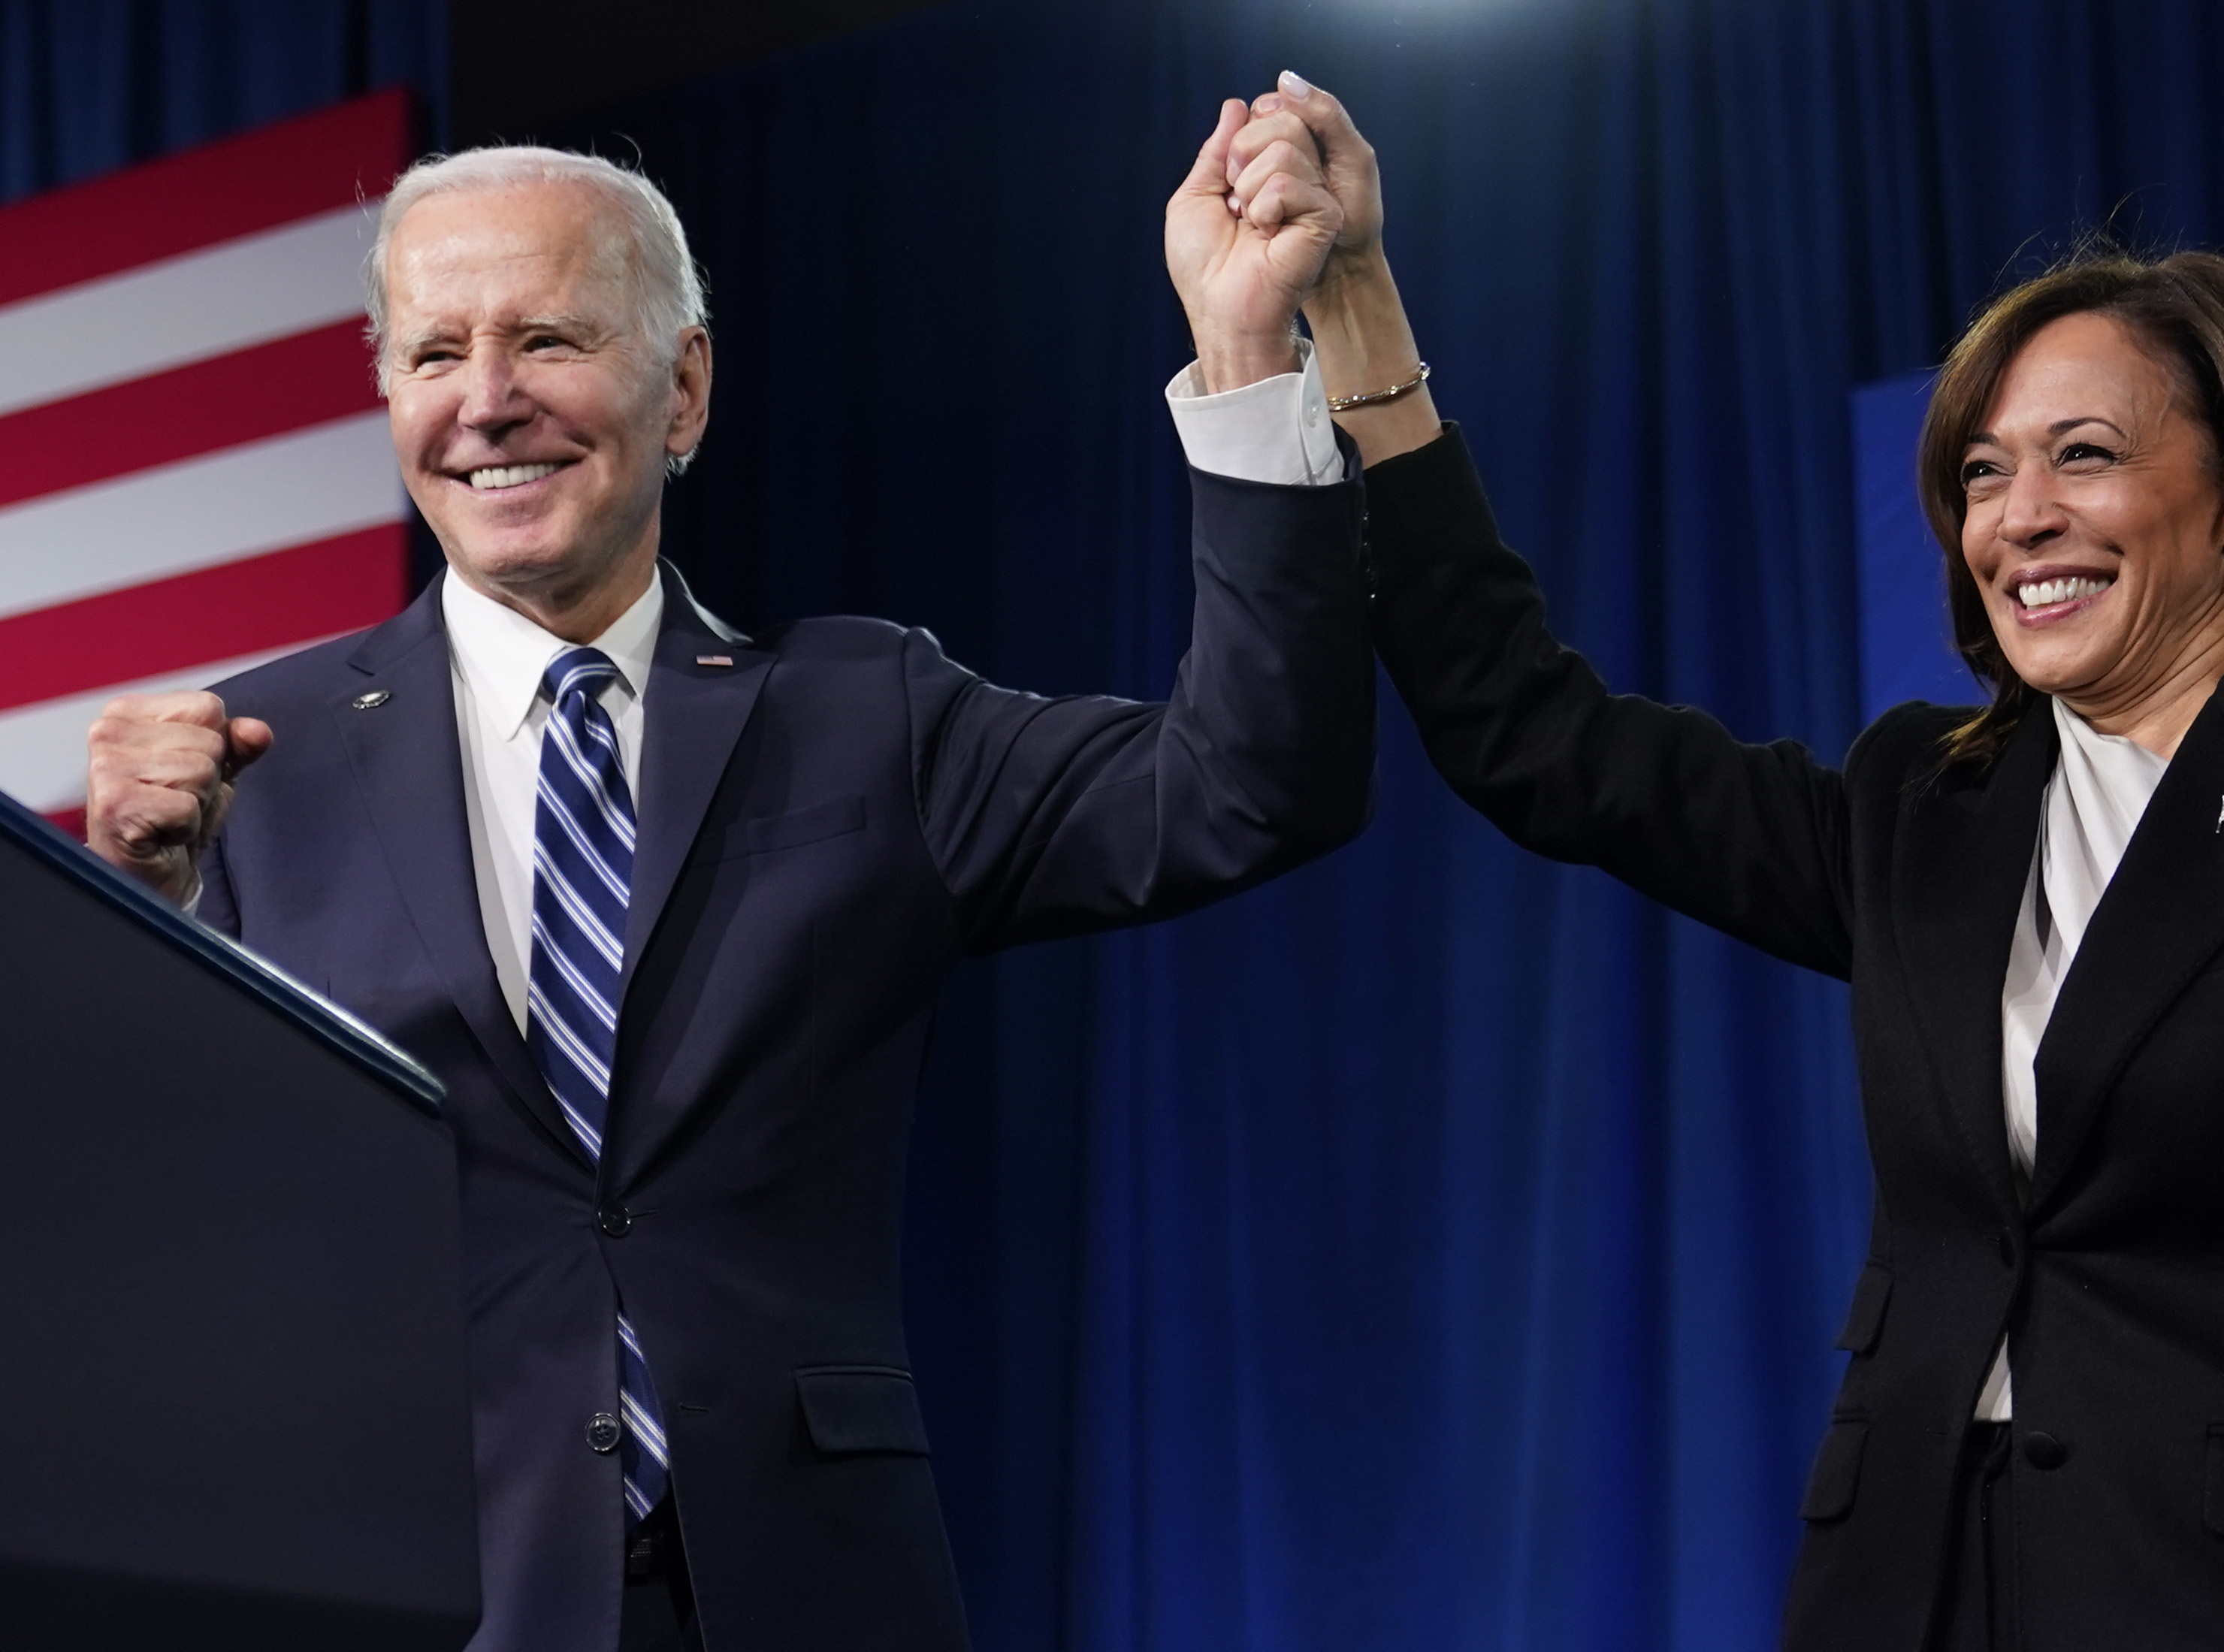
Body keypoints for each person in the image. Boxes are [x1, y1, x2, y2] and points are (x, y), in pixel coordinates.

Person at [82, 104, 1371, 1652]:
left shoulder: (866, 713)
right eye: (433, 356)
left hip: (810, 1592)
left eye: (546, 338)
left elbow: (1248, 788)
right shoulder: (252, 763)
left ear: (682, 385)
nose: (487, 403)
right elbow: (144, 1228)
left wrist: (1241, 353)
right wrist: (134, 910)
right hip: (424, 1596)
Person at [1229, 76, 2224, 1652]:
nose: (2019, 516)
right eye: (1979, 471)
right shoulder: (1920, 804)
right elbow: (1527, 733)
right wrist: (1356, 312)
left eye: (2081, 456)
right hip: (1916, 1592)